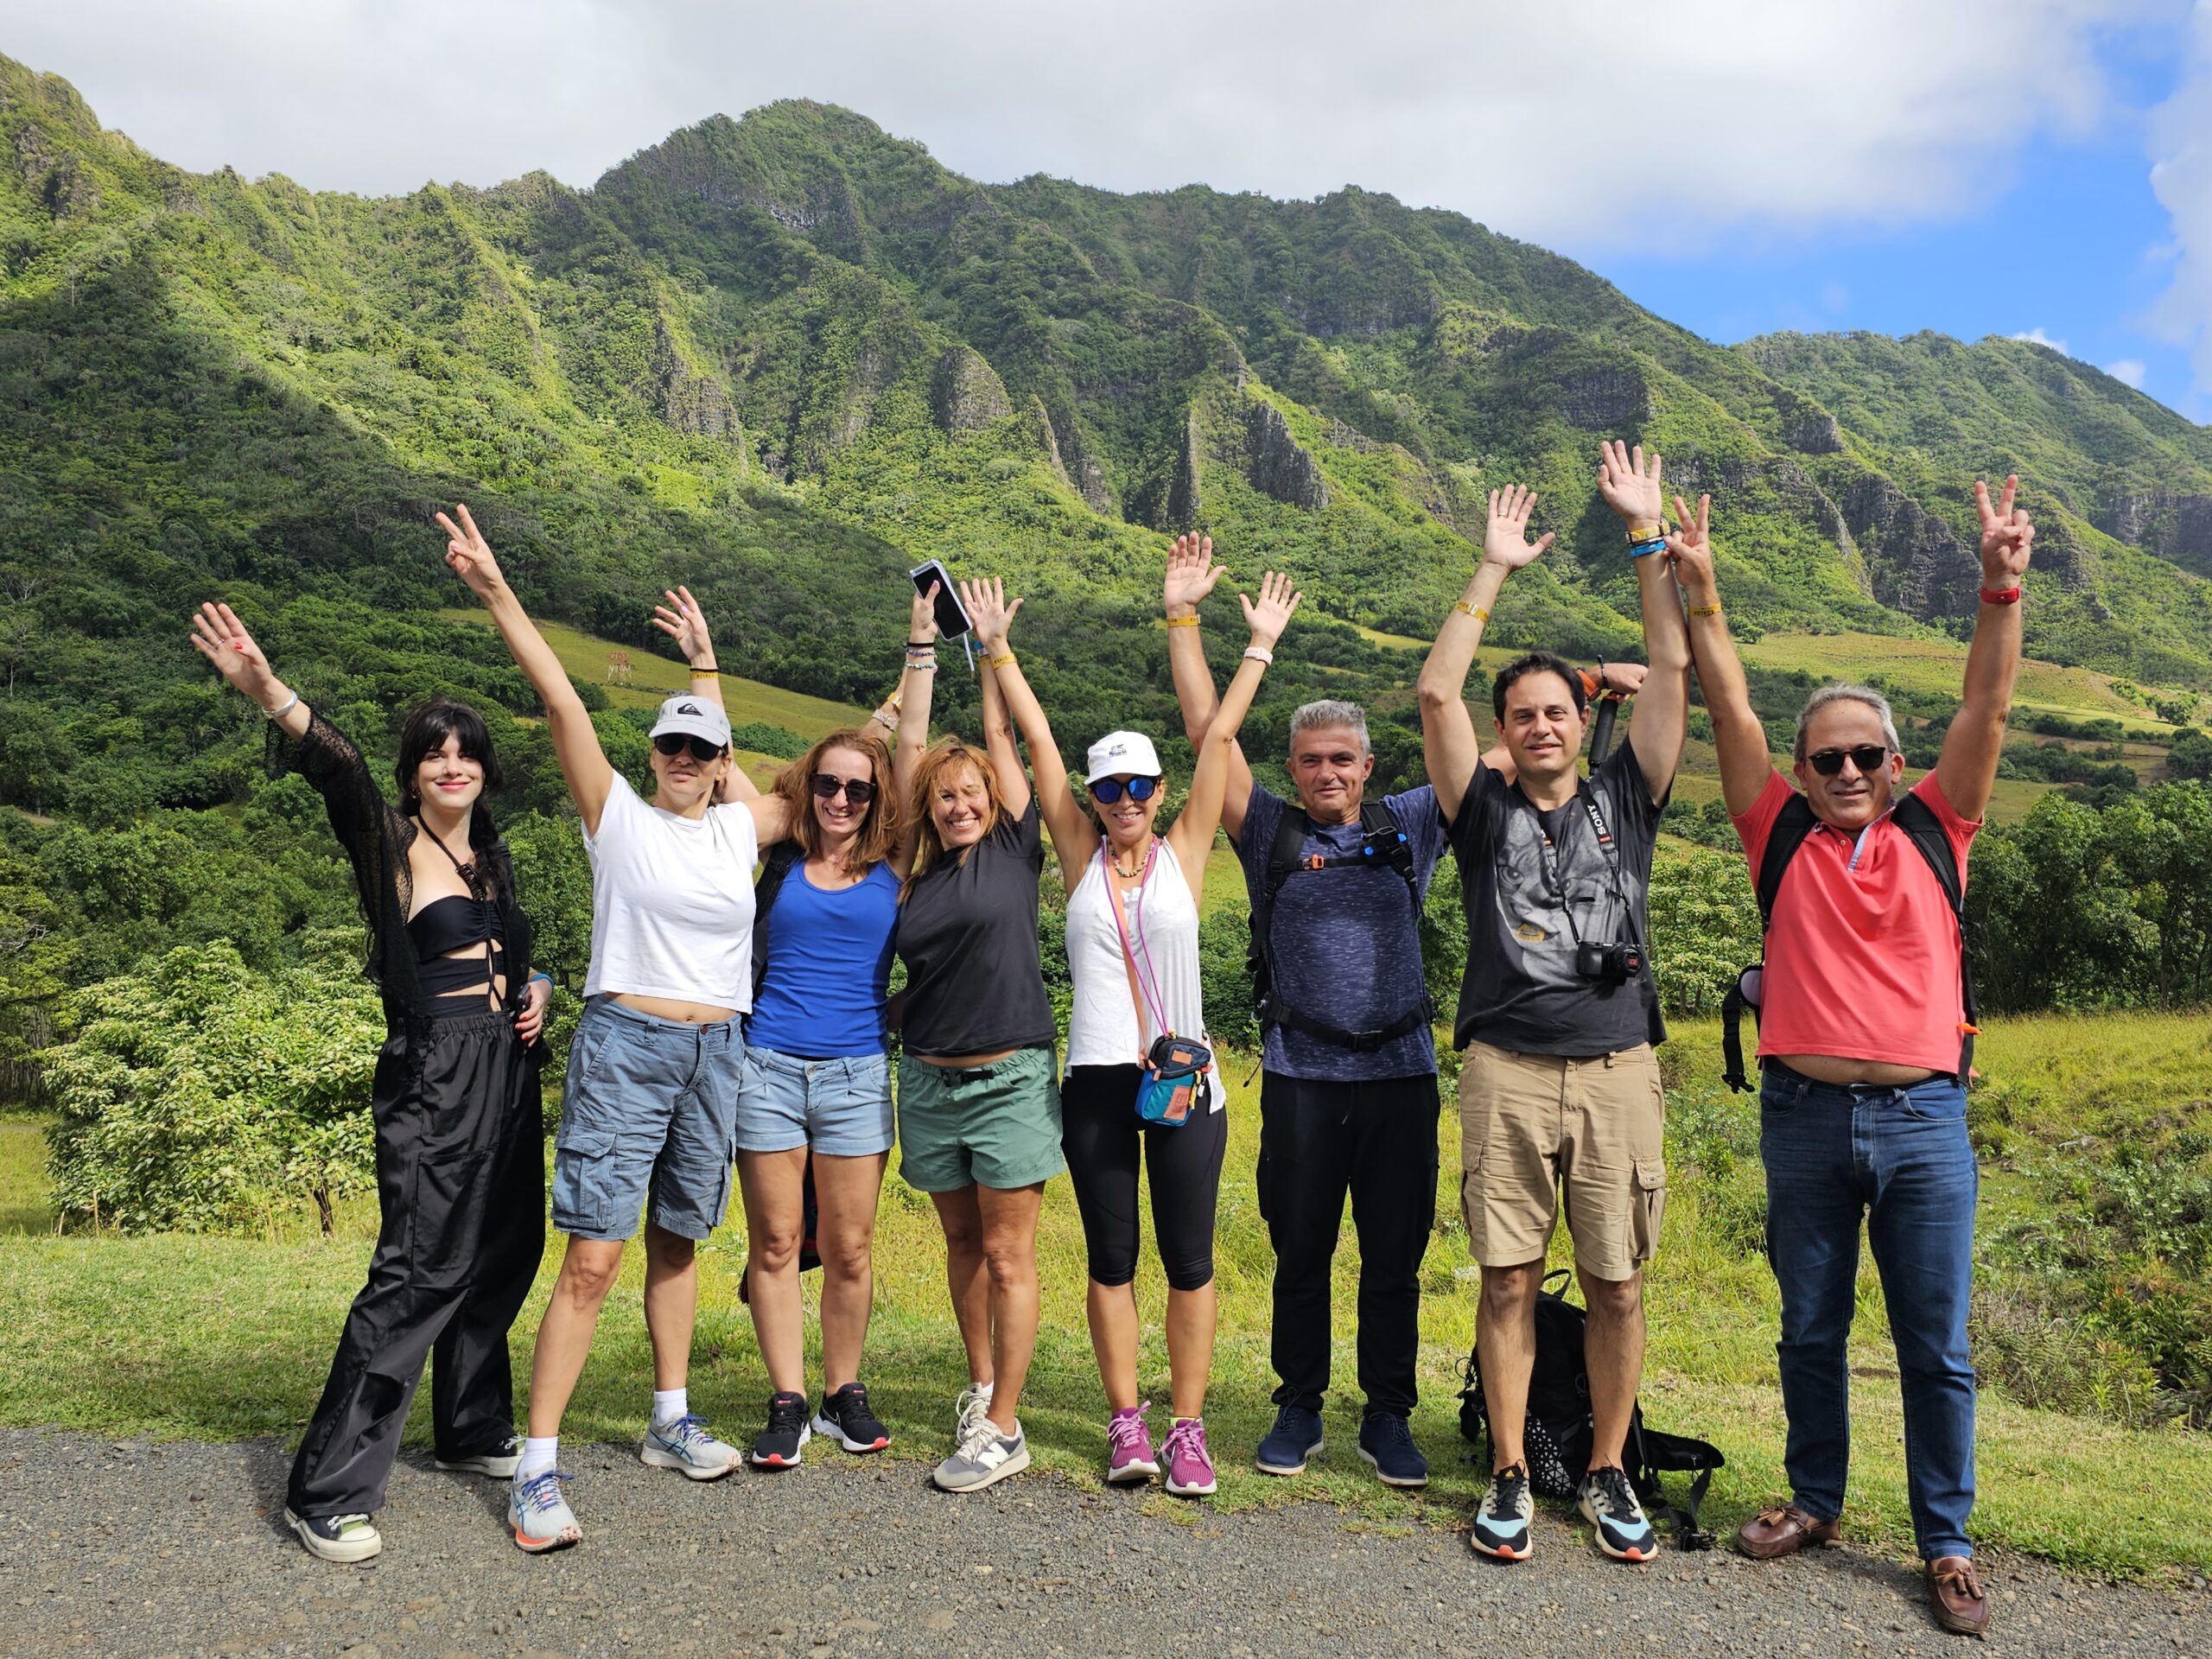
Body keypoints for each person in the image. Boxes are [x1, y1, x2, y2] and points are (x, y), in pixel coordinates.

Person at [1672, 480, 2032, 1637]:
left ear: (1893, 759)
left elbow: (1989, 697)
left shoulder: (1938, 826)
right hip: (1807, 1118)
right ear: (1802, 765)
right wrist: (1703, 584)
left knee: (1936, 1344)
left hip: (1927, 1121)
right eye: (1823, 758)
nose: (1841, 774)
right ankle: (1817, 1500)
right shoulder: (1773, 832)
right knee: (1809, 1327)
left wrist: (2000, 582)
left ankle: (1947, 1540)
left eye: (1863, 755)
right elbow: (1724, 706)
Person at [438, 505, 791, 1552]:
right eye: (671, 742)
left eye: (701, 746)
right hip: (628, 1045)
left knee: (679, 1241)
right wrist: (498, 591)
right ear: (650, 752)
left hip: (715, 1051)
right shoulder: (617, 818)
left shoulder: (741, 828)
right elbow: (556, 697)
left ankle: (669, 1416)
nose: (684, 754)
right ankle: (536, 1470)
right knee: (594, 1255)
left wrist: (711, 668)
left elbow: (838, 774)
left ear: (720, 761)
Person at [190, 602, 554, 1565]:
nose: (451, 766)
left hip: (507, 1073)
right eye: (433, 753)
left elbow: (514, 953)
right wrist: (267, 688)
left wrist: (538, 989)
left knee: (503, 1249)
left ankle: (472, 1424)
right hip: (434, 1072)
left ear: (484, 769)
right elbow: (336, 767)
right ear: (414, 770)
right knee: (418, 1268)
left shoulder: (493, 854)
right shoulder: (393, 845)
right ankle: (328, 1488)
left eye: (465, 752)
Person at [1416, 447, 1691, 1564]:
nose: (1539, 726)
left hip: (1620, 1065)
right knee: (1509, 1277)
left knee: (1619, 1284)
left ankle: (1612, 1469)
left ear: (1583, 720)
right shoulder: (1478, 811)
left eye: (1556, 710)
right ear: (1507, 729)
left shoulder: (1632, 789)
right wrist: (1490, 571)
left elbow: (1672, 672)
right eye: (1520, 713)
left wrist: (1646, 539)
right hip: (1509, 1070)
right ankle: (1513, 1472)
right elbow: (1437, 690)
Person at [993, 563, 1301, 1496]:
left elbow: (1221, 740)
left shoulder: (1187, 850)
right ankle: (1126, 1419)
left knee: (1191, 1260)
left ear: (1160, 792)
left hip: (1183, 1082)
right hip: (1093, 1082)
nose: (1124, 799)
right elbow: (1039, 739)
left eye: (1138, 786)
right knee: (1112, 1258)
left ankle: (1188, 1428)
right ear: (1090, 799)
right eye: (1108, 788)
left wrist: (1253, 645)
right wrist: (998, 649)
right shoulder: (1080, 855)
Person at [1164, 537, 1449, 1489]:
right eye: (1310, 760)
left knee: (1394, 1256)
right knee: (1301, 1250)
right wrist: (1188, 621)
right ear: (1290, 765)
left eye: (1343, 760)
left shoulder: (1408, 824)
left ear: (1369, 767)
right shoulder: (1271, 830)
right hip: (1299, 1073)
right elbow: (1209, 733)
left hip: (1401, 1073)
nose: (1327, 773)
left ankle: (1389, 1413)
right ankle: (1298, 1402)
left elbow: (1475, 741)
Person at [731, 585, 937, 1469]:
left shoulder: (895, 863)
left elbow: (914, 747)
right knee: (776, 1243)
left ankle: (843, 1389)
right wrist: (705, 656)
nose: (843, 798)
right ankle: (785, 1399)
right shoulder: (776, 857)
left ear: (874, 795)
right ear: (808, 788)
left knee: (849, 1247)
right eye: (828, 784)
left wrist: (920, 652)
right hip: (767, 1067)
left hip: (856, 1071)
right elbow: (726, 765)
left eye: (858, 787)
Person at [892, 578, 1067, 1493]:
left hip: (1007, 1079)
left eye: (972, 793)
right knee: (962, 1249)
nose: (960, 803)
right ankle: (982, 1385)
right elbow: (909, 750)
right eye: (945, 796)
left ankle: (1004, 1428)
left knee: (1008, 1253)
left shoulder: (1011, 846)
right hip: (927, 1083)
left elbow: (1007, 741)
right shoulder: (912, 880)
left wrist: (992, 650)